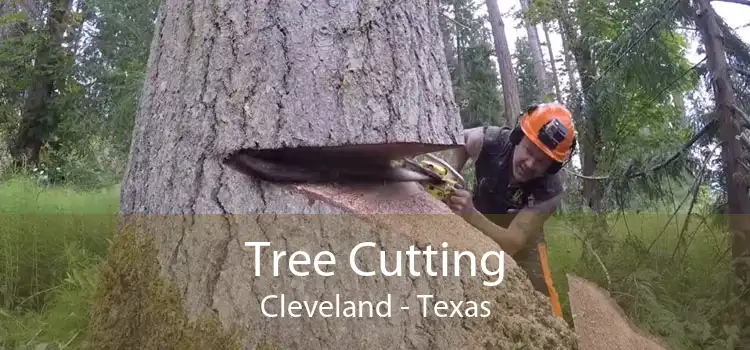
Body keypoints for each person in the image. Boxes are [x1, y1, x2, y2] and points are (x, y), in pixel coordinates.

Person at [444, 102, 577, 319]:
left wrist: (470, 215)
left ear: (552, 167)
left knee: (543, 298)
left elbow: (514, 242)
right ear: (517, 137)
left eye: (541, 161)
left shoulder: (550, 189)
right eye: (528, 150)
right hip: (479, 216)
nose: (530, 163)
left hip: (523, 242)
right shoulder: (492, 140)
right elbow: (462, 140)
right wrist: (450, 177)